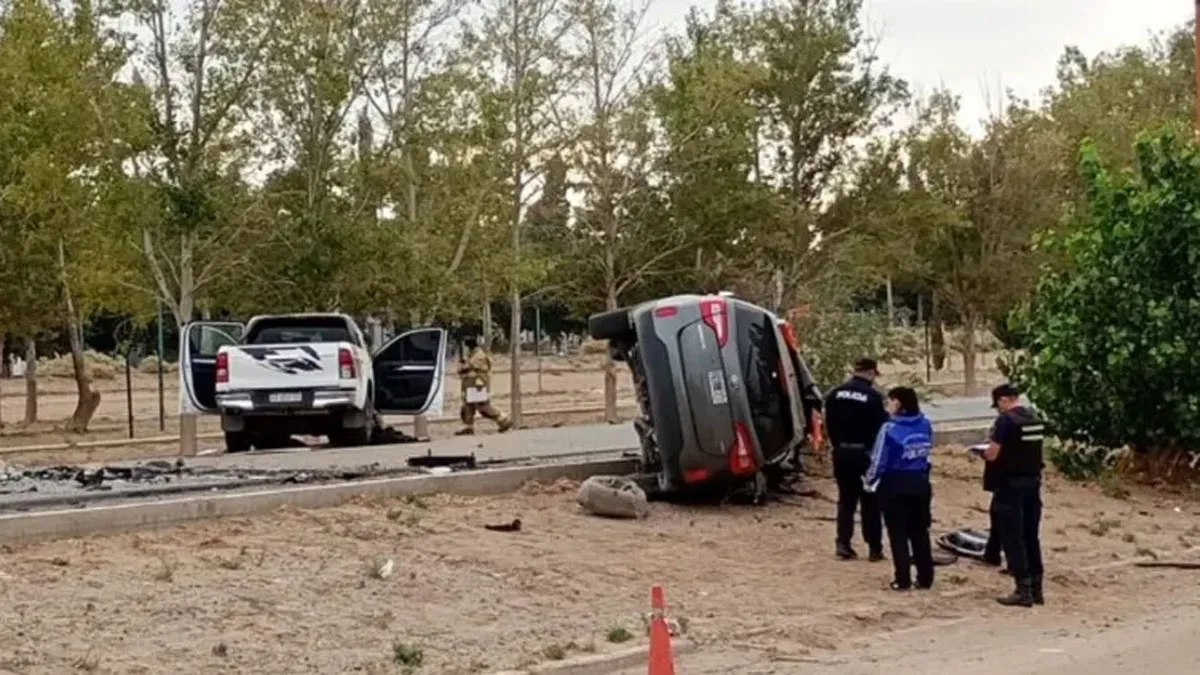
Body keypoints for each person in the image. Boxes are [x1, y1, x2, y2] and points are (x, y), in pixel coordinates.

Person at [864, 386, 935, 591]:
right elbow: (927, 450)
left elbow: (878, 460)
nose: (887, 405)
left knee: (898, 533)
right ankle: (925, 577)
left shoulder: (889, 428)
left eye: (890, 400)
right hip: (920, 482)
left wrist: (869, 481)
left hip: (895, 483)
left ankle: (902, 579)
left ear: (898, 403)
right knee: (920, 531)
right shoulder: (925, 424)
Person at [984, 383, 1046, 607]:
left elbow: (992, 454)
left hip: (1009, 485)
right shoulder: (1034, 418)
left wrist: (983, 451)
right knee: (1031, 536)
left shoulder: (1006, 421)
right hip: (1033, 482)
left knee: (1012, 537)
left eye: (998, 404)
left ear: (1003, 400)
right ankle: (1037, 589)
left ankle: (1023, 590)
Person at [823, 358, 889, 561]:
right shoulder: (873, 397)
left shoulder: (834, 394)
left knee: (846, 500)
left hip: (842, 452)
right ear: (871, 373)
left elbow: (828, 424)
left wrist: (836, 445)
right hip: (865, 454)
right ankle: (874, 548)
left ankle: (843, 545)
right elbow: (882, 429)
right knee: (870, 501)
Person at [456, 336, 512, 436]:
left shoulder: (478, 355)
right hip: (471, 385)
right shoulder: (472, 355)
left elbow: (467, 367)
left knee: (482, 405)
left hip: (477, 384)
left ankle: (503, 419)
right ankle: (468, 426)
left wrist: (462, 366)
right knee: (468, 405)